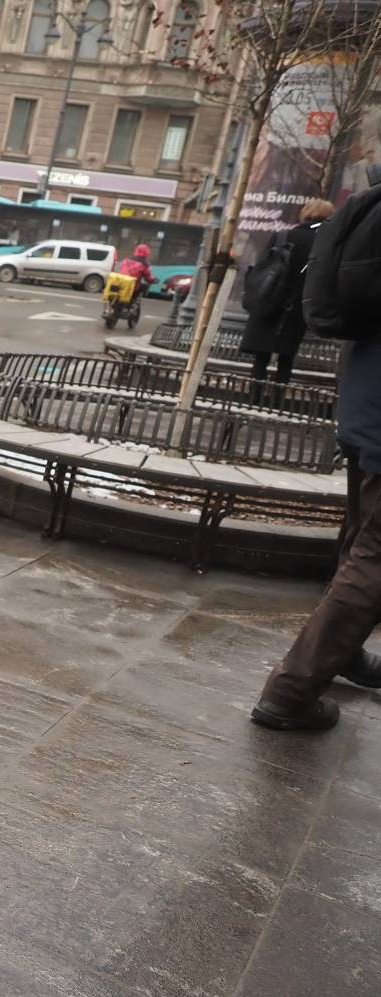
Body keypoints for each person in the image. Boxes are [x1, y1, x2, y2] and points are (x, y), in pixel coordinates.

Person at [252, 179, 381, 731]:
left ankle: (341, 652)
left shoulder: (369, 207)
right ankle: (291, 691)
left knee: (359, 542)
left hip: (364, 400)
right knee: (374, 557)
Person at [240, 199, 335, 404]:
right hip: (299, 306)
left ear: (305, 213)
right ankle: (277, 401)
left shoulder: (283, 236)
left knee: (261, 356)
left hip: (270, 300)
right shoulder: (326, 243)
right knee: (286, 358)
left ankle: (254, 399)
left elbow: (262, 266)